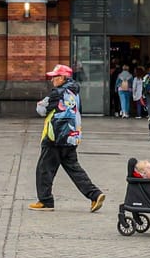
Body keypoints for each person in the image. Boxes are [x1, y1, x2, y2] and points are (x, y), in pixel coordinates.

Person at [30, 65, 106, 212]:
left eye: (55, 77)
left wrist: (41, 103)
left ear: (63, 78)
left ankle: (45, 201)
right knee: (74, 169)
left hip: (55, 137)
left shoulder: (57, 93)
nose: (52, 80)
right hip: (71, 137)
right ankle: (95, 195)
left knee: (44, 169)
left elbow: (42, 110)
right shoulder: (74, 92)